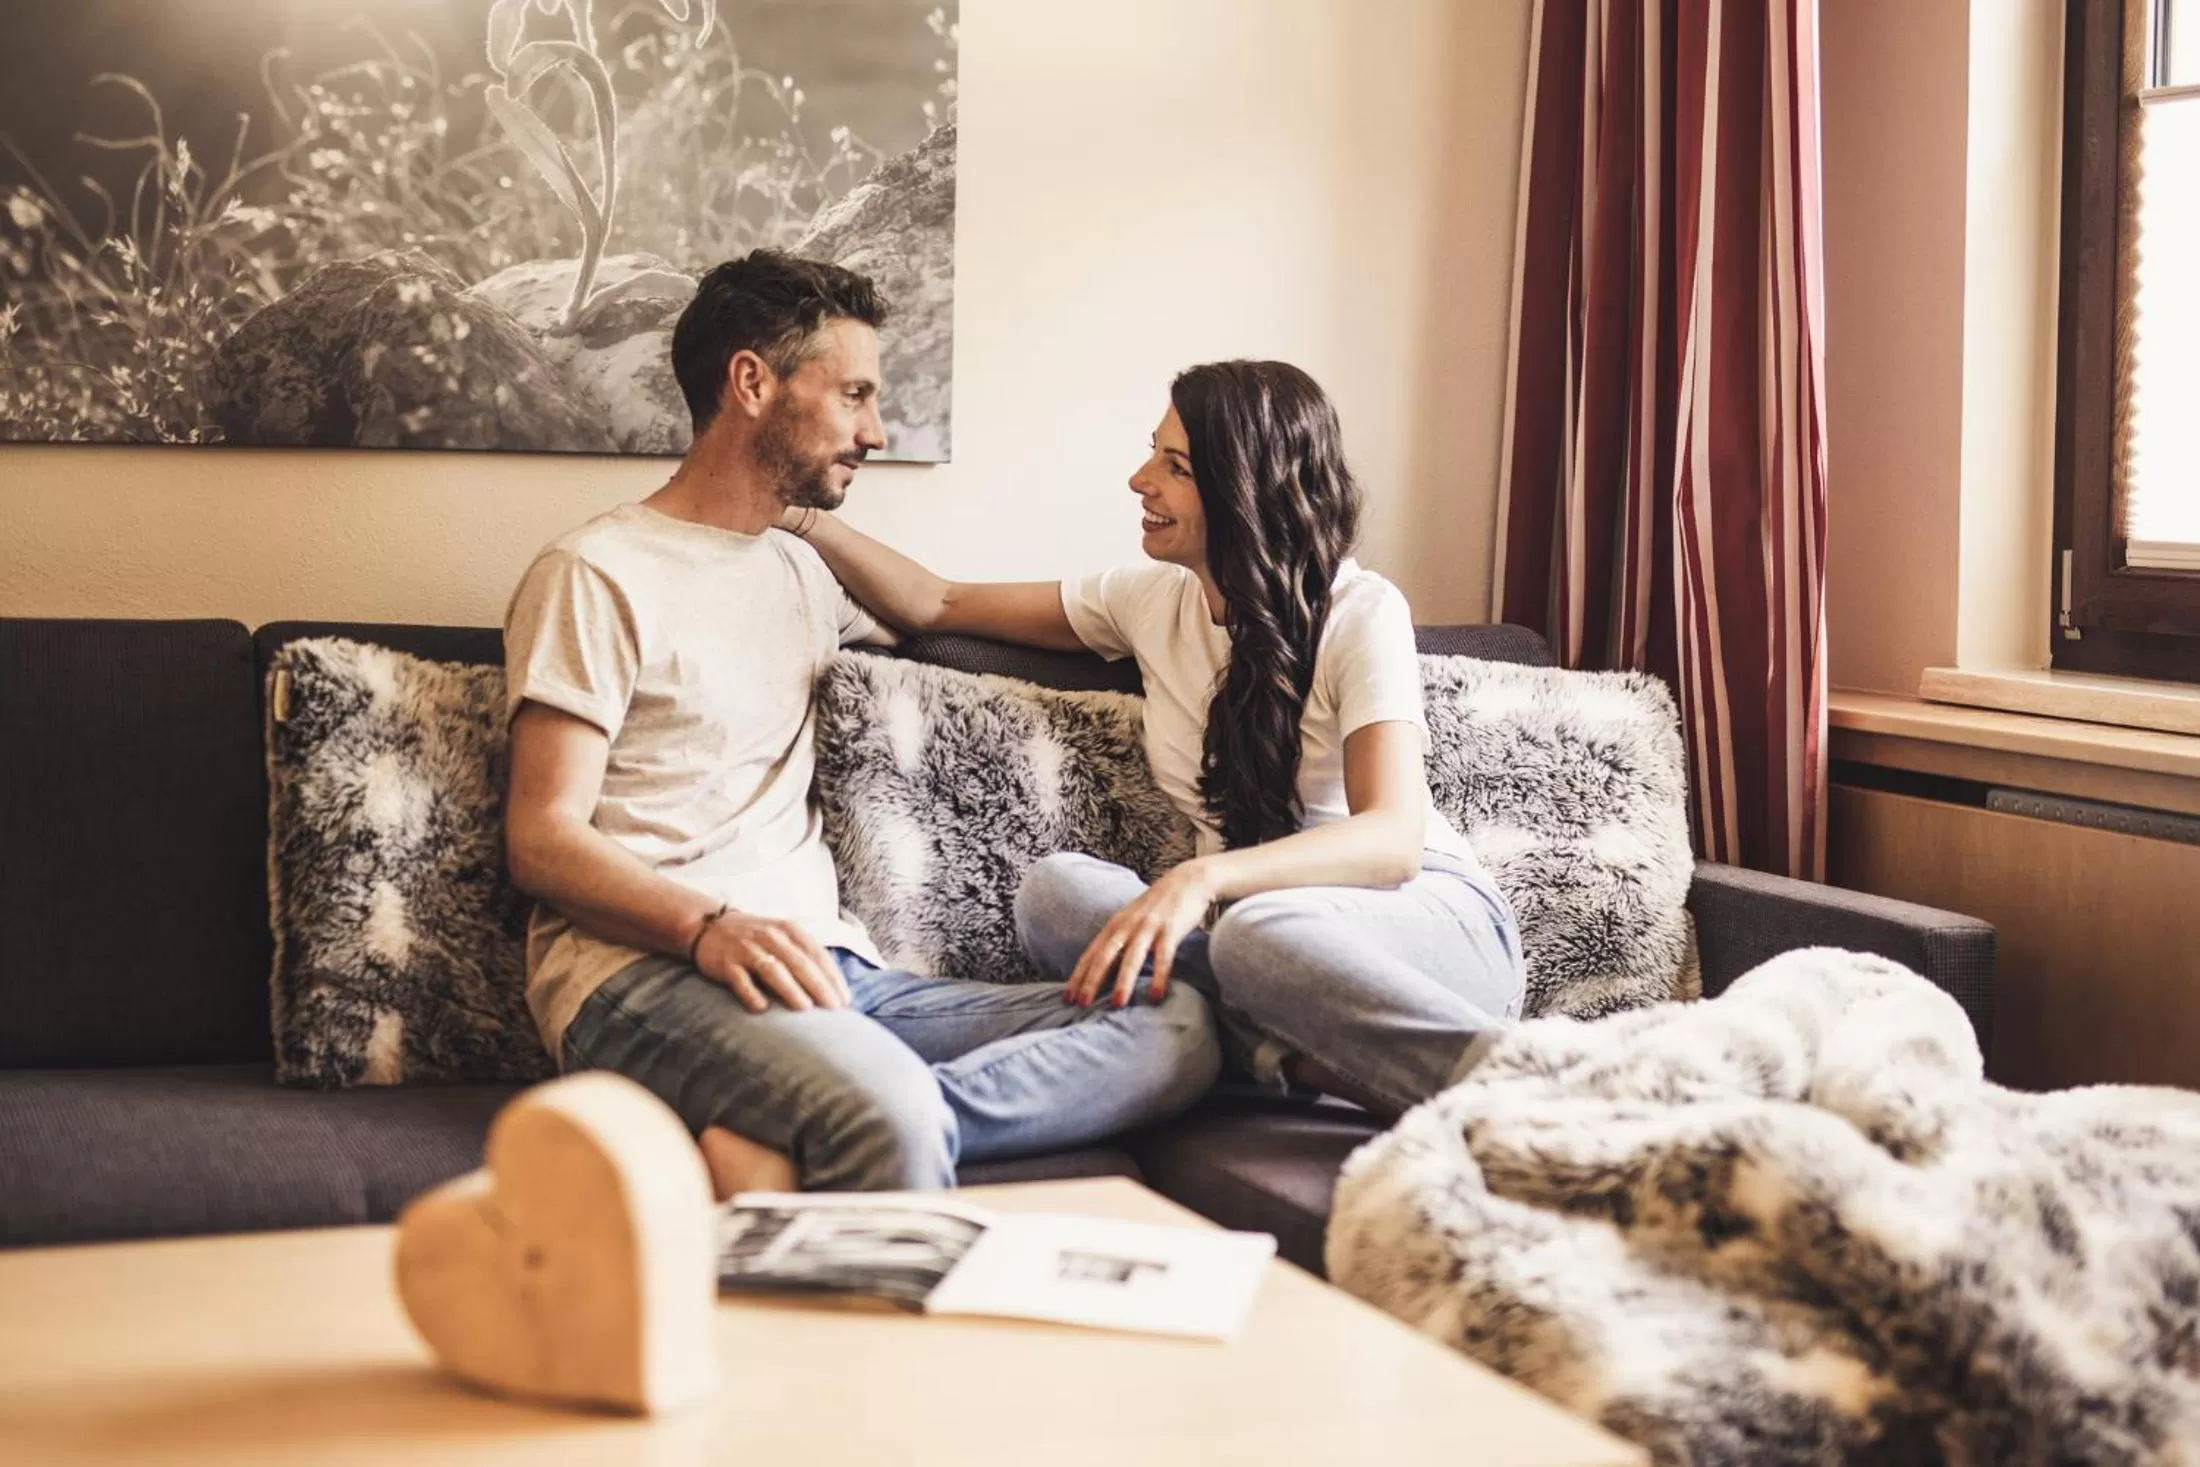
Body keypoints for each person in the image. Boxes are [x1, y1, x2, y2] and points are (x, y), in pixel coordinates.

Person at [500, 252, 1220, 1199]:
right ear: (752, 383)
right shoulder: (596, 573)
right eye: (854, 396)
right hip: (645, 972)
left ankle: (821, 1126)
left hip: (837, 974)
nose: (876, 432)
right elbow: (542, 838)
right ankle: (868, 1118)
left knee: (1178, 1025)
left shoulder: (799, 575)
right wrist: (708, 928)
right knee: (888, 1108)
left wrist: (805, 526)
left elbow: (927, 607)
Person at [784, 359, 1526, 1120]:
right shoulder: (1149, 602)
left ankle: (1522, 1088)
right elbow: (937, 601)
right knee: (1056, 893)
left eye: (1174, 466)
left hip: (1427, 927)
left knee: (1256, 929)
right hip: (1250, 945)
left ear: (1244, 485)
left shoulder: (1360, 612)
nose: (1141, 480)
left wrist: (1204, 880)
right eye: (1154, 454)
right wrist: (800, 515)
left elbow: (1392, 840)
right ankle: (1281, 1056)